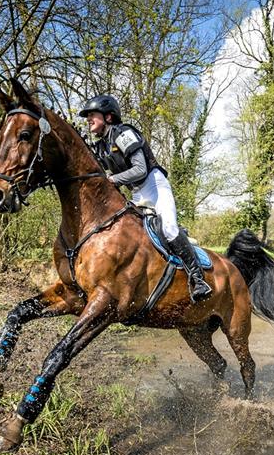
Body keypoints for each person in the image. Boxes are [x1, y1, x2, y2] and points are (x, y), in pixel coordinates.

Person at [79, 95, 212, 303]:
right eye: (87, 116)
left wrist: (112, 179)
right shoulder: (102, 145)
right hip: (136, 192)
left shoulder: (124, 134)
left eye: (92, 115)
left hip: (153, 184)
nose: (88, 119)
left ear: (108, 116)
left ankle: (198, 278)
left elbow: (140, 169)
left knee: (168, 229)